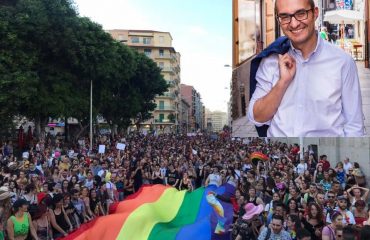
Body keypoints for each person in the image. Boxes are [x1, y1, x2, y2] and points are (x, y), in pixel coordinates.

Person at [248, 0, 364, 137]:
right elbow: (256, 117)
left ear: (315, 13)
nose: (294, 23)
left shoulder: (343, 62)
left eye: (301, 13)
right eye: (285, 17)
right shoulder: (271, 61)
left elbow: (354, 126)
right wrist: (282, 82)